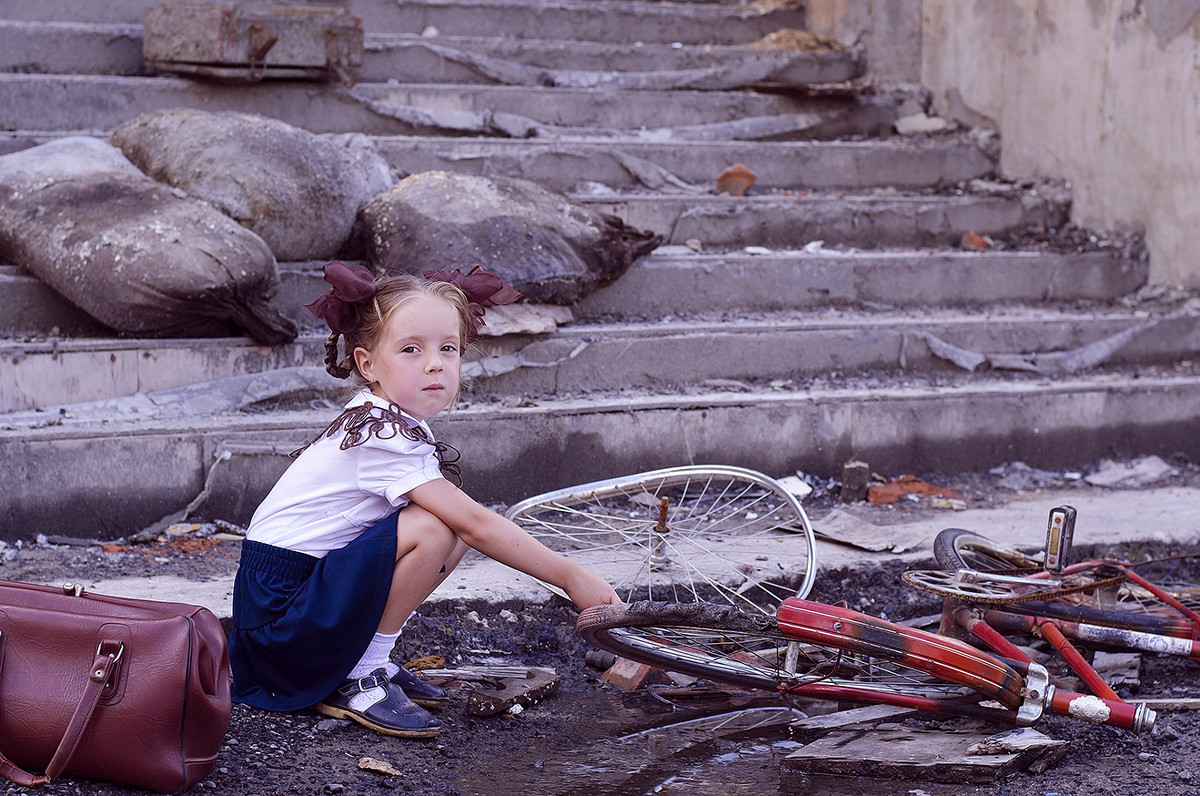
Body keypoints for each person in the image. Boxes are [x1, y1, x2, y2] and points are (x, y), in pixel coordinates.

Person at [228, 261, 619, 739]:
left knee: (448, 525)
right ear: (367, 364)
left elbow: (470, 525)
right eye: (411, 349)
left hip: (298, 599)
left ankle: (367, 660)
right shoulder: (379, 433)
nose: (435, 363)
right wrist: (571, 576)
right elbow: (476, 522)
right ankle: (356, 676)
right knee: (438, 525)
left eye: (447, 349)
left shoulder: (389, 419)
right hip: (280, 624)